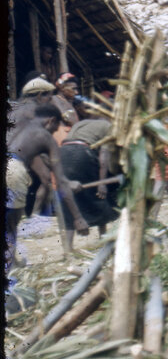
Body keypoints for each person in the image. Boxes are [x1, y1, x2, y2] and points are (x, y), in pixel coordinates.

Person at [7, 104, 88, 266]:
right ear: (51, 121)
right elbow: (60, 182)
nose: (54, 132)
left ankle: (12, 261)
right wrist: (78, 218)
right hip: (14, 170)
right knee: (11, 225)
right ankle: (10, 268)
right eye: (55, 128)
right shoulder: (45, 137)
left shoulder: (21, 126)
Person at [57, 118, 120, 250]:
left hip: (62, 154)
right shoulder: (108, 126)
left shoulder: (82, 123)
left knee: (69, 198)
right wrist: (101, 183)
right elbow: (104, 156)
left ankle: (68, 248)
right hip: (82, 153)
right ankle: (104, 239)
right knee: (98, 196)